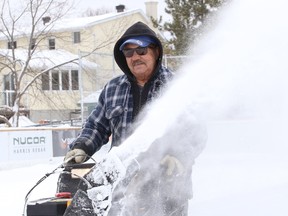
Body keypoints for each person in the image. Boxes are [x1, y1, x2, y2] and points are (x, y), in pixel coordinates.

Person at [64, 21, 205, 216]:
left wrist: (179, 156)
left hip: (168, 187)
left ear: (155, 52)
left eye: (141, 50)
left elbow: (196, 132)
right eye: (129, 53)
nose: (135, 57)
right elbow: (96, 125)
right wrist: (82, 146)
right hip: (121, 188)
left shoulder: (176, 87)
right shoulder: (113, 88)